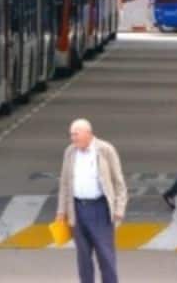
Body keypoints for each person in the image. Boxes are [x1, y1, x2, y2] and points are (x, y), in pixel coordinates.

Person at [55, 119, 127, 283]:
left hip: (100, 209)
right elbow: (65, 184)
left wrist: (119, 210)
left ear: (88, 133)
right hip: (77, 210)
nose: (73, 138)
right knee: (83, 259)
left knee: (106, 257)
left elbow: (119, 183)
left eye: (76, 134)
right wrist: (61, 211)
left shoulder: (105, 150)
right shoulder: (70, 152)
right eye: (71, 135)